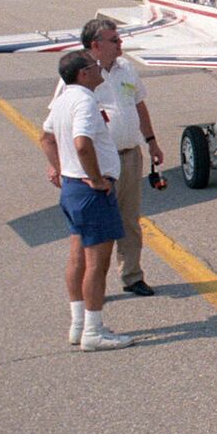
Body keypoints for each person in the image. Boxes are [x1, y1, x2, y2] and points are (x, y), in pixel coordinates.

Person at [40, 51, 134, 351]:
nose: (99, 70)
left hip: (70, 187)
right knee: (98, 263)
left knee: (77, 257)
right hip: (90, 192)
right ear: (82, 73)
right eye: (93, 67)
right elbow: (82, 144)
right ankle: (94, 332)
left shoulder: (63, 99)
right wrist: (95, 178)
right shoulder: (84, 101)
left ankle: (78, 323)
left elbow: (46, 137)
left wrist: (62, 167)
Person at [73, 18, 165, 296]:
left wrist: (152, 142)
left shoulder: (126, 69)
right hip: (99, 164)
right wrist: (58, 165)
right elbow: (59, 119)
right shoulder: (81, 74)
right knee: (96, 229)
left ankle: (132, 276)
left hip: (130, 155)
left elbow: (139, 106)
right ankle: (90, 287)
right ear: (96, 45)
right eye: (114, 40)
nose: (120, 44)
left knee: (130, 221)